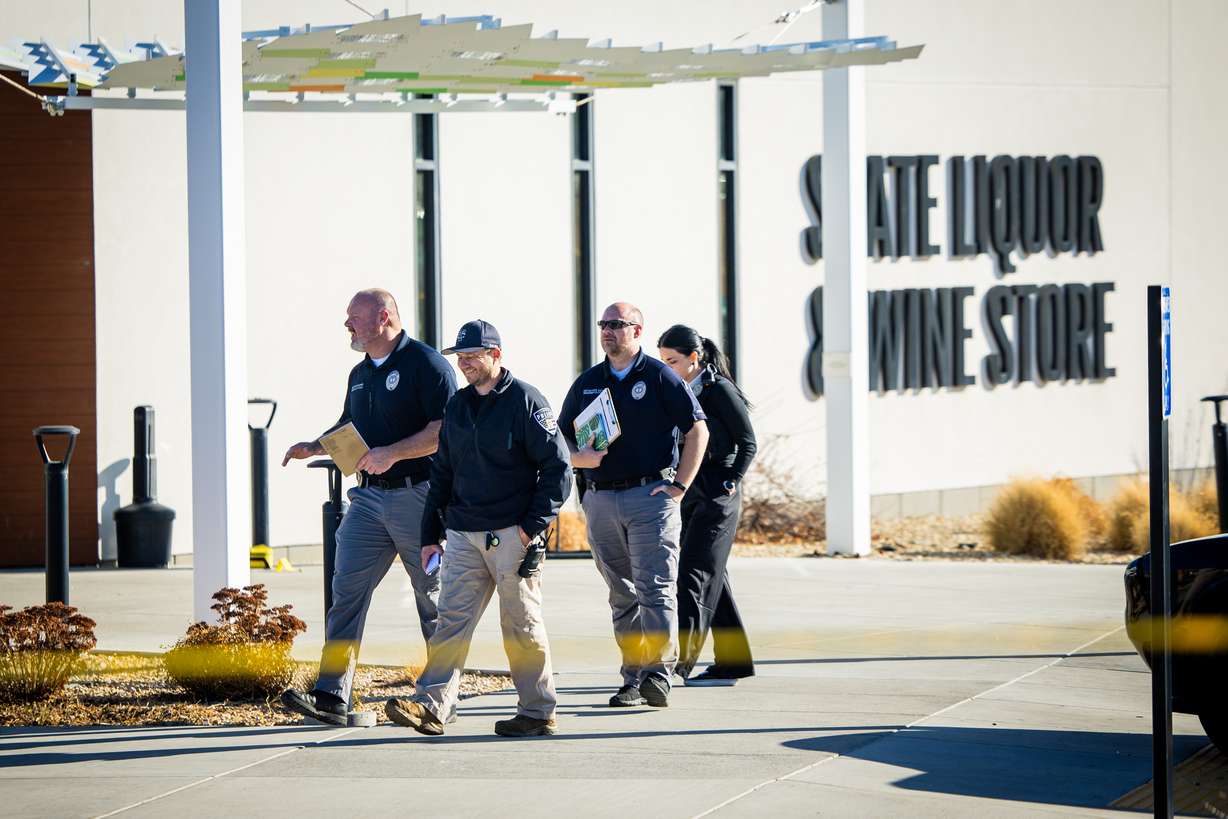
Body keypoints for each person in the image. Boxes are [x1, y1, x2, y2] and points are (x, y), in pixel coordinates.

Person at [384, 319, 571, 737]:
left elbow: (559, 470)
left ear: (496, 355)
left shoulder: (526, 400)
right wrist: (430, 534)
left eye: (472, 356)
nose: (465, 364)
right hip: (464, 534)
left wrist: (530, 529)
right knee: (451, 621)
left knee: (520, 624)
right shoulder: (458, 405)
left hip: (511, 535)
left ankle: (538, 712)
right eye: (461, 357)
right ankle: (431, 706)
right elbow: (443, 472)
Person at [280, 288, 457, 725]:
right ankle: (332, 696)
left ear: (384, 317)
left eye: (353, 317)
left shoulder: (427, 364)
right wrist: (314, 445)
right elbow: (350, 427)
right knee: (346, 593)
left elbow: (444, 429)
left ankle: (437, 701)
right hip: (369, 498)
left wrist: (392, 453)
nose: (347, 325)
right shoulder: (360, 373)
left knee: (432, 599)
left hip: (420, 496)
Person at [558, 302, 708, 709]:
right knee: (621, 594)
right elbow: (557, 441)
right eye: (603, 324)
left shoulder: (658, 375)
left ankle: (658, 675)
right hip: (601, 498)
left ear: (637, 332)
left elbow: (698, 428)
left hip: (651, 497)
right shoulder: (589, 382)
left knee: (655, 588)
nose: (608, 331)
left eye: (618, 325)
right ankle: (632, 678)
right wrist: (579, 458)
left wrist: (680, 485)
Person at [658, 325, 757, 686]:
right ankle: (735, 660)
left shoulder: (718, 390)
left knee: (694, 576)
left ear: (694, 359)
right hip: (691, 489)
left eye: (673, 361)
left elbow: (748, 442)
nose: (666, 367)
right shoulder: (677, 392)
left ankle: (678, 665)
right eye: (662, 360)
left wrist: (732, 480)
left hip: (719, 492)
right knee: (715, 577)